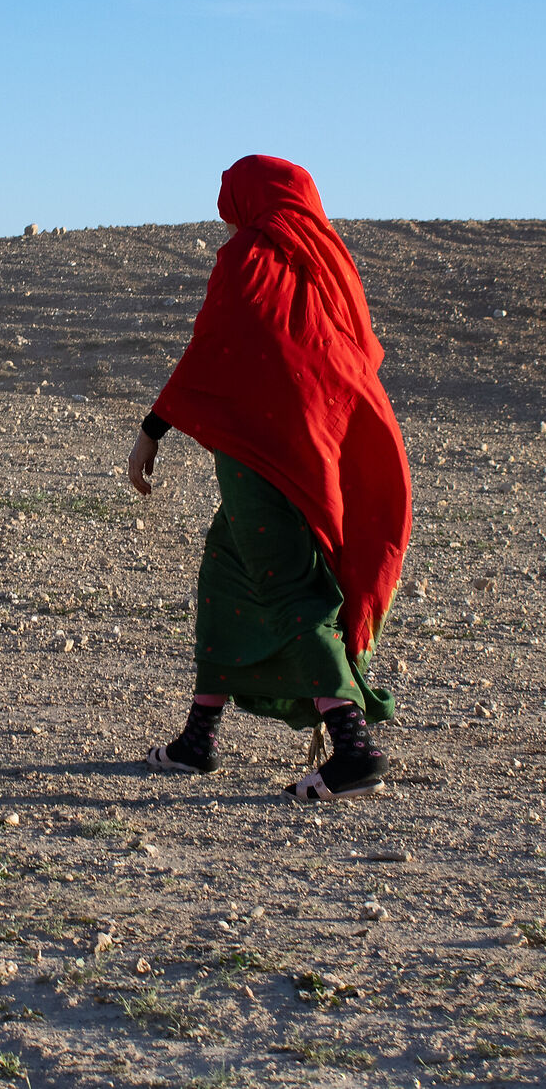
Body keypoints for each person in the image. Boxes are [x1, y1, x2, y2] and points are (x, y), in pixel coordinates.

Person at [125, 155, 413, 801]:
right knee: (227, 566)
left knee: (287, 588)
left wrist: (154, 427)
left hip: (264, 449)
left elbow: (216, 347)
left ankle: (353, 749)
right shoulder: (328, 257)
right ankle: (199, 736)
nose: (226, 223)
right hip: (321, 445)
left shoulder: (249, 256)